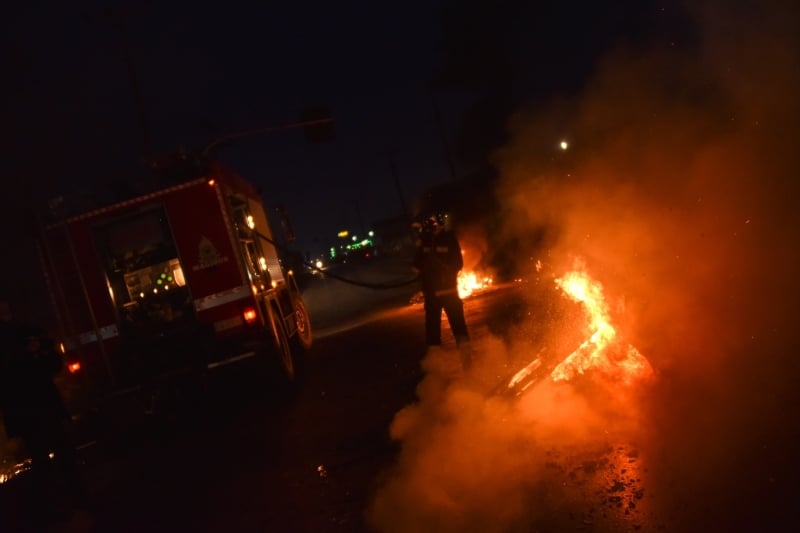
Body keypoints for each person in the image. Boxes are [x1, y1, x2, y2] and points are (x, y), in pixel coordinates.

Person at [0, 298, 90, 521]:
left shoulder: (28, 334)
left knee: (50, 457)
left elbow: (51, 364)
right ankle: (67, 503)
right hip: (35, 408)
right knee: (54, 456)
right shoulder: (26, 335)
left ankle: (62, 505)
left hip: (31, 409)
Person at [412, 214, 471, 369]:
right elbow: (415, 266)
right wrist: (419, 254)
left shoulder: (449, 239)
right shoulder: (424, 241)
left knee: (458, 327)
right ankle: (436, 368)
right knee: (432, 332)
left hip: (449, 293)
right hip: (432, 296)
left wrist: (442, 270)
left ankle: (468, 364)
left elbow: (458, 263)